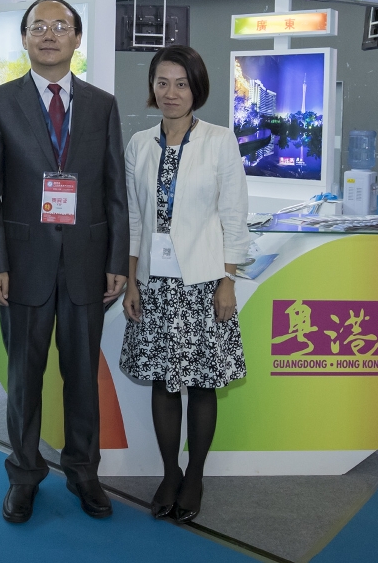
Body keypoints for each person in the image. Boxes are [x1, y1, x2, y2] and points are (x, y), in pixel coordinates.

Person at [0, 0, 129, 524]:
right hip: (22, 266)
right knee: (25, 376)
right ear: (24, 38)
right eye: (38, 26)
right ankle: (24, 473)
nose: (49, 35)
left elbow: (115, 189)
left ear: (77, 39)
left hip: (88, 263)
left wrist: (118, 259)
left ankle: (83, 471)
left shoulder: (102, 105)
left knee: (82, 375)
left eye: (60, 26)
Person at [120, 45, 250, 524]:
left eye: (181, 83)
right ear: (152, 86)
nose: (170, 92)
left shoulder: (219, 141)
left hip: (202, 281)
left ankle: (195, 475)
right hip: (155, 283)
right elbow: (135, 218)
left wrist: (227, 281)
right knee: (161, 380)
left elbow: (234, 217)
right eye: (162, 82)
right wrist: (133, 279)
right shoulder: (138, 143)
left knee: (199, 384)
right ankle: (169, 472)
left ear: (197, 88)